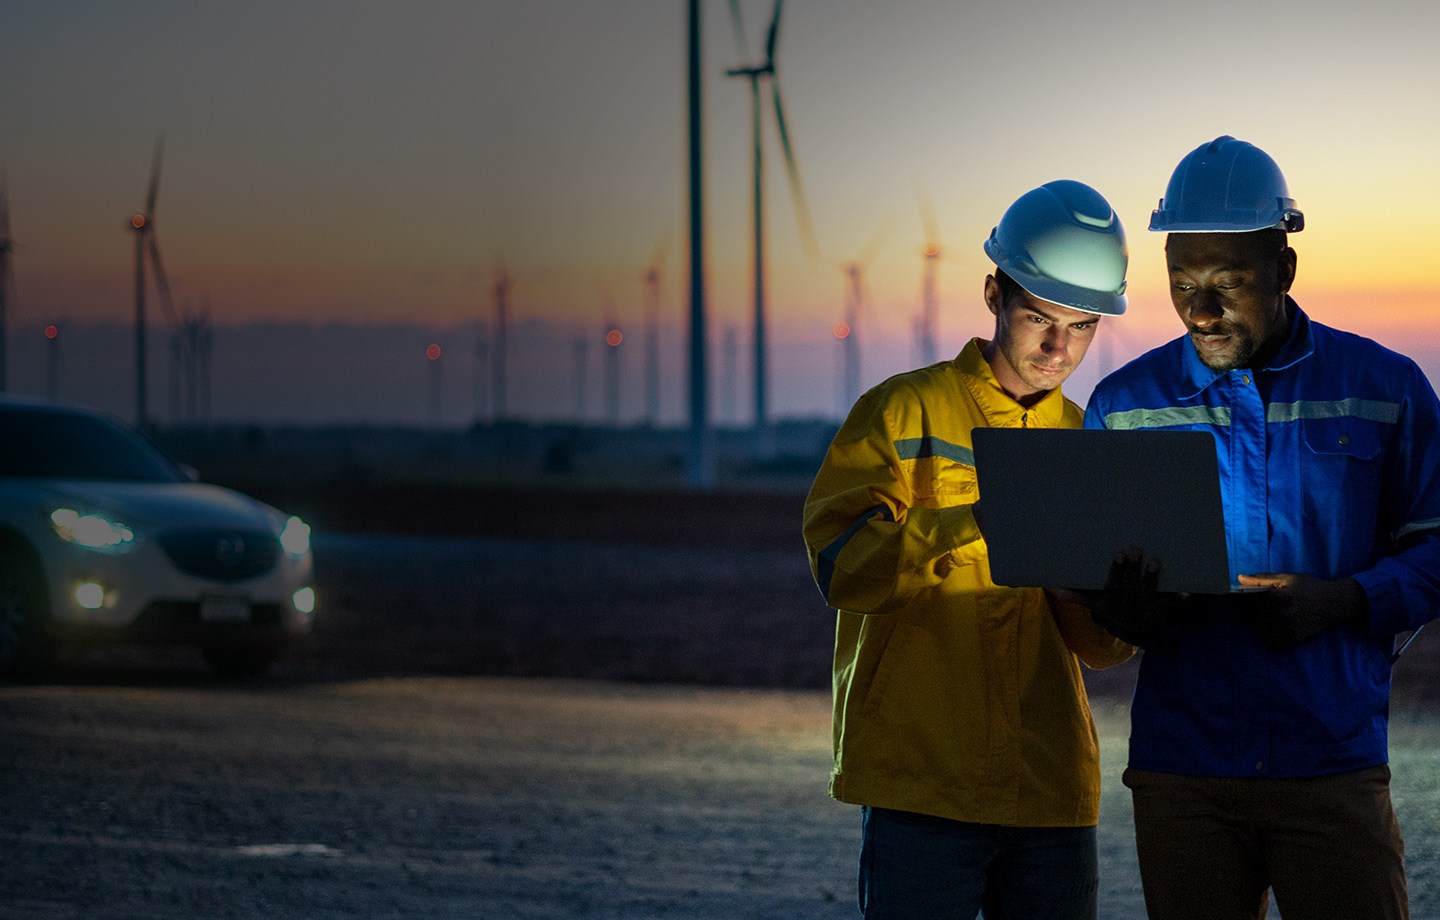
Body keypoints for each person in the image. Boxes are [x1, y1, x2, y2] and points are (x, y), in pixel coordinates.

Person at [1085, 136, 1440, 920]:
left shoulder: (1385, 389)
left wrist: (1346, 598)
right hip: (1184, 773)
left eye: (1228, 282)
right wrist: (1121, 612)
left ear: (1284, 268)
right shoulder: (1122, 406)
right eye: (1182, 284)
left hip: (1332, 765)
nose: (1200, 309)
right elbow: (1093, 588)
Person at [802, 179, 1136, 920]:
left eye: (1081, 327)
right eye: (1039, 317)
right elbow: (840, 566)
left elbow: (1097, 648)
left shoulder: (1088, 442)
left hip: (1049, 787)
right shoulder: (902, 411)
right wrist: (979, 520)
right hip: (922, 780)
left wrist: (1122, 613)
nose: (1059, 347)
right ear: (994, 293)